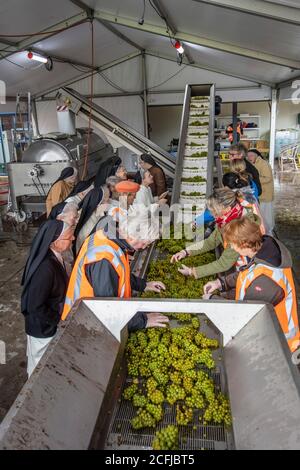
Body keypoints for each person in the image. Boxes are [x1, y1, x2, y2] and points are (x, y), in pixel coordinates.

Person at [203, 217, 300, 353]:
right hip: (267, 333)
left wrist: (212, 301)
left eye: (232, 244)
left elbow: (246, 314)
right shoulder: (266, 252)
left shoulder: (267, 280)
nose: (231, 247)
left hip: (278, 343)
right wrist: (220, 283)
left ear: (243, 244)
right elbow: (248, 273)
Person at [61, 209, 169, 331]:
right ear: (131, 236)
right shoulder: (103, 260)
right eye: (144, 243)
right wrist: (143, 320)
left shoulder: (107, 236)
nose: (143, 248)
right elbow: (107, 308)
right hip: (82, 324)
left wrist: (143, 285)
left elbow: (118, 273)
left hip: (86, 317)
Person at [171, 188, 264, 279]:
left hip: (253, 269)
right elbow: (211, 242)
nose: (213, 215)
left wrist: (192, 271)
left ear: (227, 209)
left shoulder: (240, 227)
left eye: (215, 212)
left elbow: (224, 263)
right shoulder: (225, 219)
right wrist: (186, 252)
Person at [21, 220, 75, 377]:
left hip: (48, 319)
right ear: (55, 241)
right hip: (42, 326)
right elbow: (34, 306)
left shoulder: (54, 256)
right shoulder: (45, 268)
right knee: (38, 363)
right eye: (68, 237)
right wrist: (58, 320)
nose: (73, 239)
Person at [75, 186, 110, 255]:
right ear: (98, 203)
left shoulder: (98, 212)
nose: (108, 202)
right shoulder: (88, 221)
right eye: (106, 200)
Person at [247, 148, 275, 234]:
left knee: (267, 214)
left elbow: (268, 178)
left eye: (251, 155)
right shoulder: (254, 164)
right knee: (262, 214)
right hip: (260, 194)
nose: (249, 157)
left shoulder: (263, 164)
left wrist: (254, 180)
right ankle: (264, 231)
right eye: (248, 156)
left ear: (257, 156)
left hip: (266, 194)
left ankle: (269, 233)